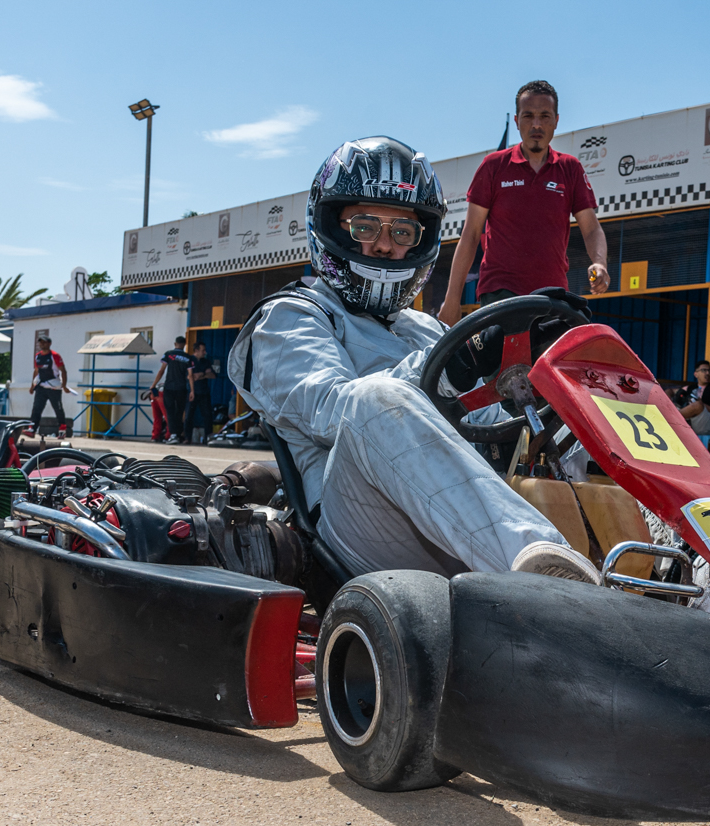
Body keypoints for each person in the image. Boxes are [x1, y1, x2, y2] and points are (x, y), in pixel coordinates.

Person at [229, 135, 600, 584]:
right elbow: (331, 411)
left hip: (464, 525)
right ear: (332, 227)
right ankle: (554, 584)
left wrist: (534, 390)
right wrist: (462, 361)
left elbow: (487, 426)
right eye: (365, 227)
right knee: (375, 400)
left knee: (581, 412)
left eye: (402, 232)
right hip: (361, 523)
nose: (385, 246)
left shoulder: (426, 328)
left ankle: (664, 565)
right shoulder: (292, 315)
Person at [439, 81, 609, 325]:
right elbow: (471, 234)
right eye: (528, 116)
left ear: (556, 121)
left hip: (553, 296)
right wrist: (452, 299)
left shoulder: (570, 169)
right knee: (505, 351)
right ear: (517, 121)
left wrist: (600, 263)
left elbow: (591, 228)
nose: (536, 124)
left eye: (544, 116)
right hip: (500, 293)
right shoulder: (493, 166)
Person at [149, 335, 192, 444]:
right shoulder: (188, 357)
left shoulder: (168, 354)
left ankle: (173, 435)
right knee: (179, 412)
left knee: (170, 411)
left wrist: (153, 385)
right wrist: (192, 391)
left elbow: (161, 371)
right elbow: (190, 375)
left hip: (169, 387)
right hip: (182, 388)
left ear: (175, 344)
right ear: (184, 345)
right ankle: (178, 434)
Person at [28, 334, 72, 436]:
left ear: (49, 344)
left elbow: (63, 371)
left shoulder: (55, 356)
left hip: (53, 387)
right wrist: (32, 386)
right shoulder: (38, 356)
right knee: (36, 408)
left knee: (58, 409)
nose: (42, 344)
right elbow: (36, 371)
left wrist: (64, 385)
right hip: (41, 386)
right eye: (40, 342)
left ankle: (62, 430)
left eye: (44, 342)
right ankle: (32, 429)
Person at [675, 360, 710, 437]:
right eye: (704, 370)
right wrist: (669, 395)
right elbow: (671, 391)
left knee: (698, 405)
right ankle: (670, 419)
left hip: (708, 424)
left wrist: (703, 405)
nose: (707, 373)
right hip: (689, 421)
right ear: (696, 374)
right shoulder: (689, 388)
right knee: (675, 405)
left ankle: (669, 419)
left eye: (709, 371)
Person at [186, 340, 216, 445]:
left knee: (207, 415)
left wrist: (201, 375)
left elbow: (212, 375)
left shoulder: (206, 362)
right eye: (203, 350)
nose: (204, 352)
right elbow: (189, 376)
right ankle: (187, 438)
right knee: (189, 415)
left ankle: (208, 437)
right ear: (196, 350)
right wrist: (200, 375)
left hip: (204, 392)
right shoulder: (189, 360)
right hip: (191, 391)